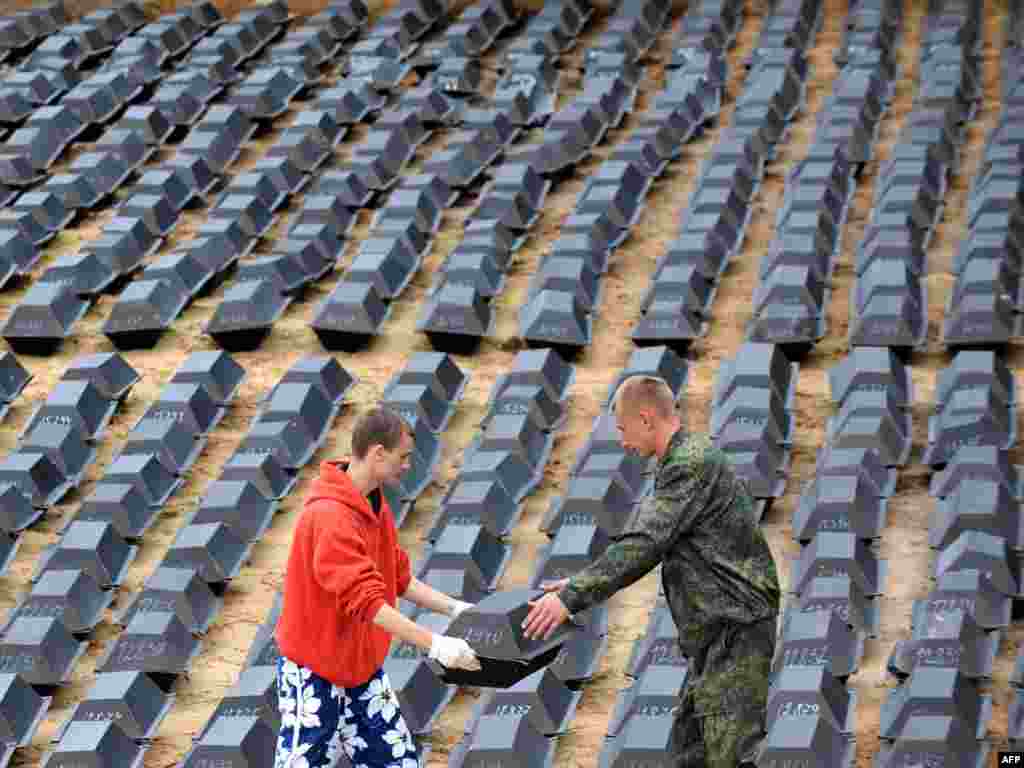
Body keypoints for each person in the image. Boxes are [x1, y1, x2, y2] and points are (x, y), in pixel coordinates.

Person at [523, 375, 781, 768]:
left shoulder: (689, 465)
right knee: (689, 751)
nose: (624, 443)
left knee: (729, 755)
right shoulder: (684, 460)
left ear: (646, 419)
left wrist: (571, 597)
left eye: (624, 430)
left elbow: (644, 543)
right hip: (716, 634)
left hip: (735, 631)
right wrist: (576, 583)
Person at [274, 406, 481, 768]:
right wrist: (434, 644)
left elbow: (396, 577)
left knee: (396, 761)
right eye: (403, 457)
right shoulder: (330, 516)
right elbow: (367, 600)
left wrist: (454, 609)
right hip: (315, 670)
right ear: (377, 453)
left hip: (360, 667)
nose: (407, 465)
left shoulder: (375, 507)